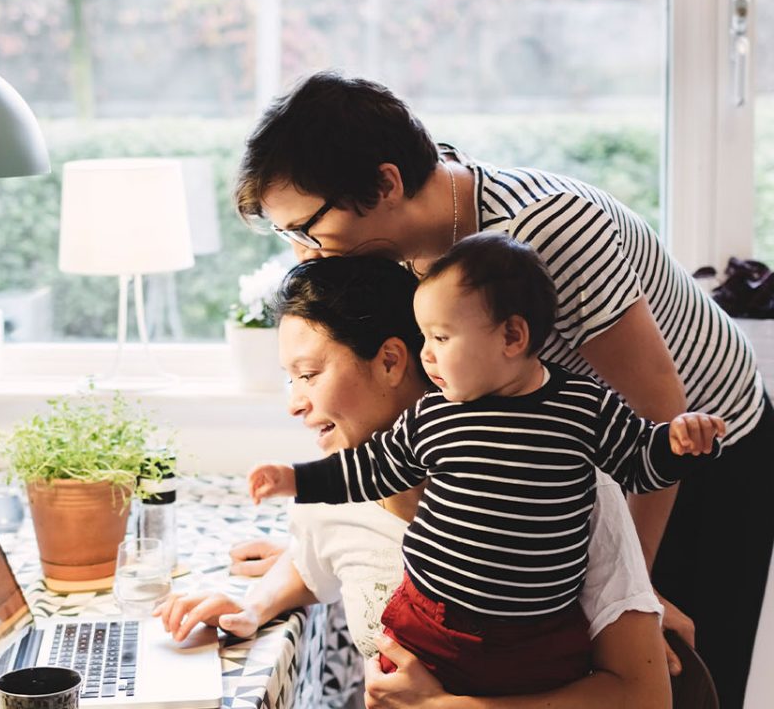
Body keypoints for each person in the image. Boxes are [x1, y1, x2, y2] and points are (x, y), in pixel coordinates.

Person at [233, 71, 773, 706]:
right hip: (585, 443)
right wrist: (335, 550)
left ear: (385, 184)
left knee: (676, 669)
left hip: (699, 446)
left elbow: (659, 406)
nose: (307, 255)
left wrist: (635, 586)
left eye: (310, 227)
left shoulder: (550, 233)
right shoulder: (406, 240)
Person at [157, 255, 672, 706]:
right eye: (290, 380)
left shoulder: (563, 479)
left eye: (309, 374)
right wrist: (251, 606)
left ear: (389, 361)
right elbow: (312, 561)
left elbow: (642, 697)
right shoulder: (333, 492)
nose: (294, 402)